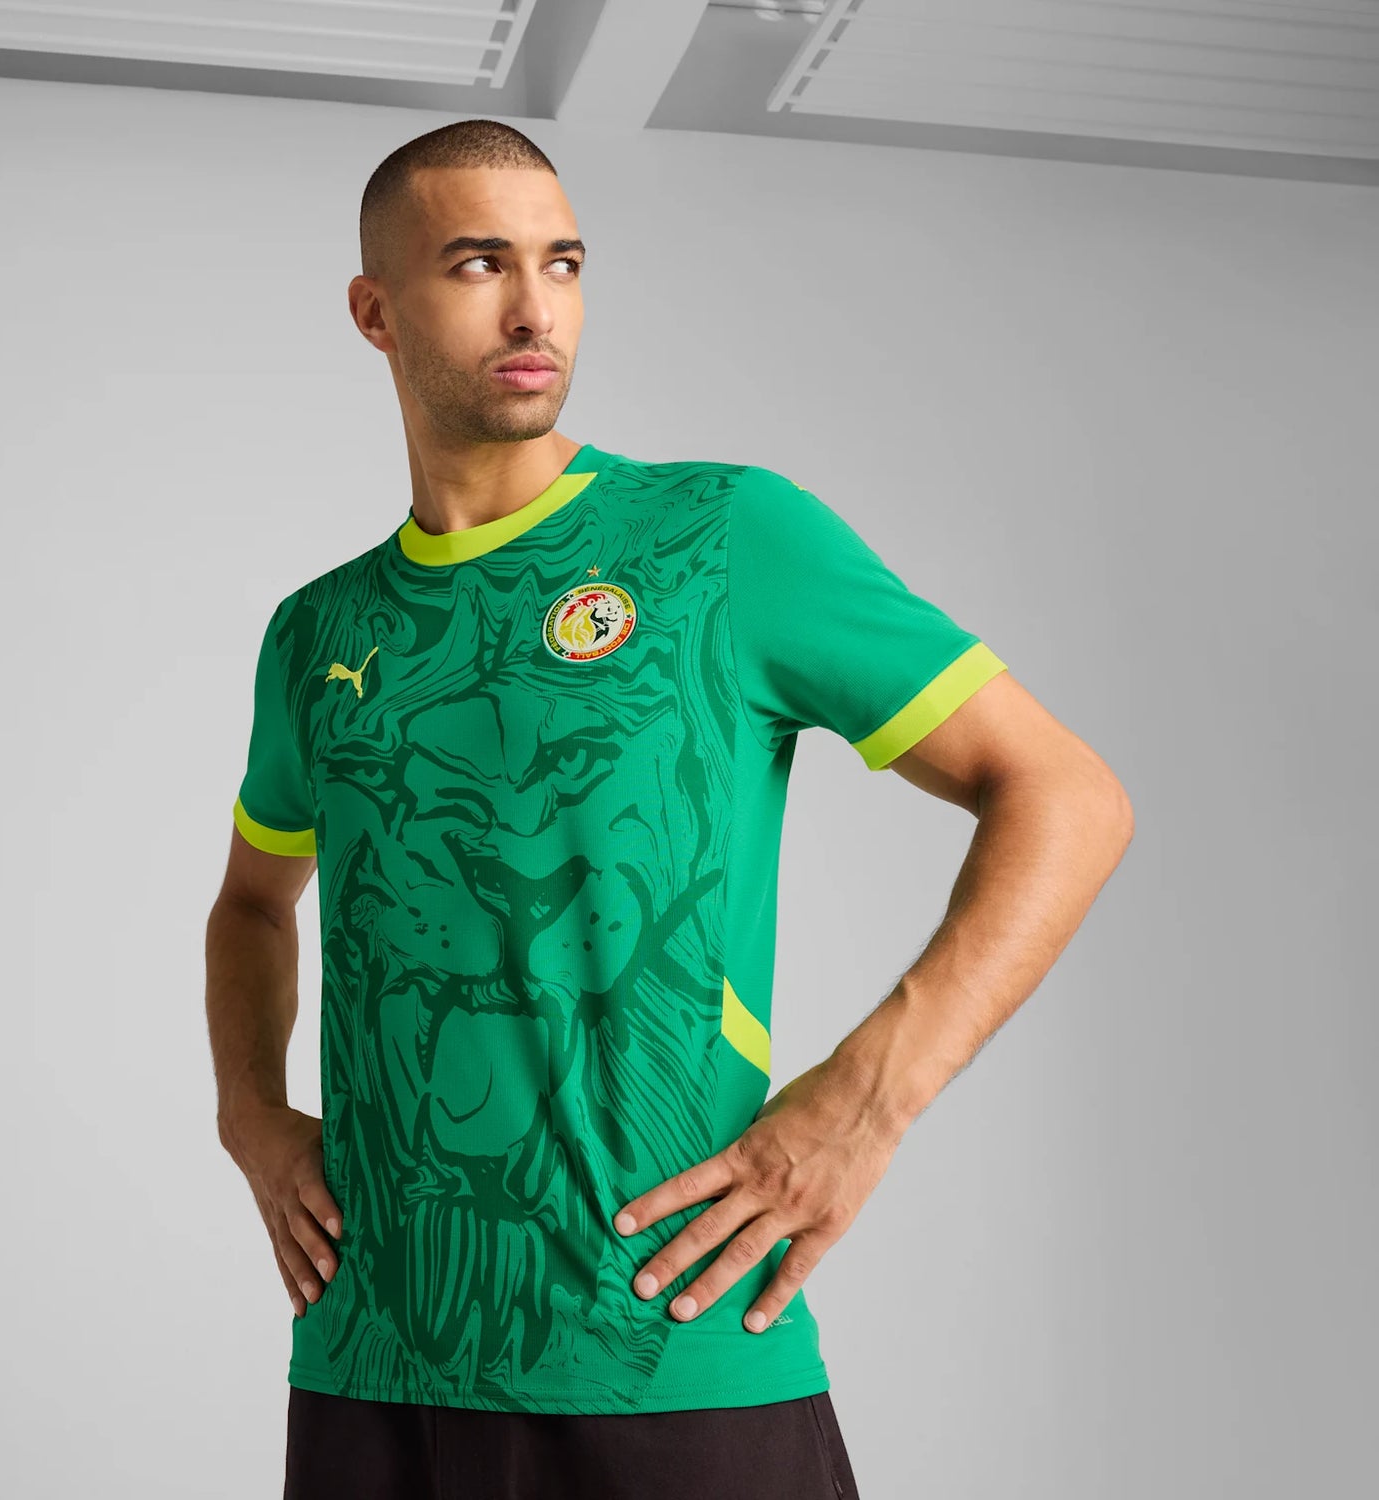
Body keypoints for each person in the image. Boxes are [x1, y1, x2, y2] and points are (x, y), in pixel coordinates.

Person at [204, 118, 1134, 1500]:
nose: (535, 308)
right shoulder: (320, 632)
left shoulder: (721, 538)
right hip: (370, 1364)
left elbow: (1067, 795)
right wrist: (251, 1117)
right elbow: (252, 903)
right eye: (479, 265)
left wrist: (867, 1099)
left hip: (669, 1351)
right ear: (375, 311)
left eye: (563, 263)